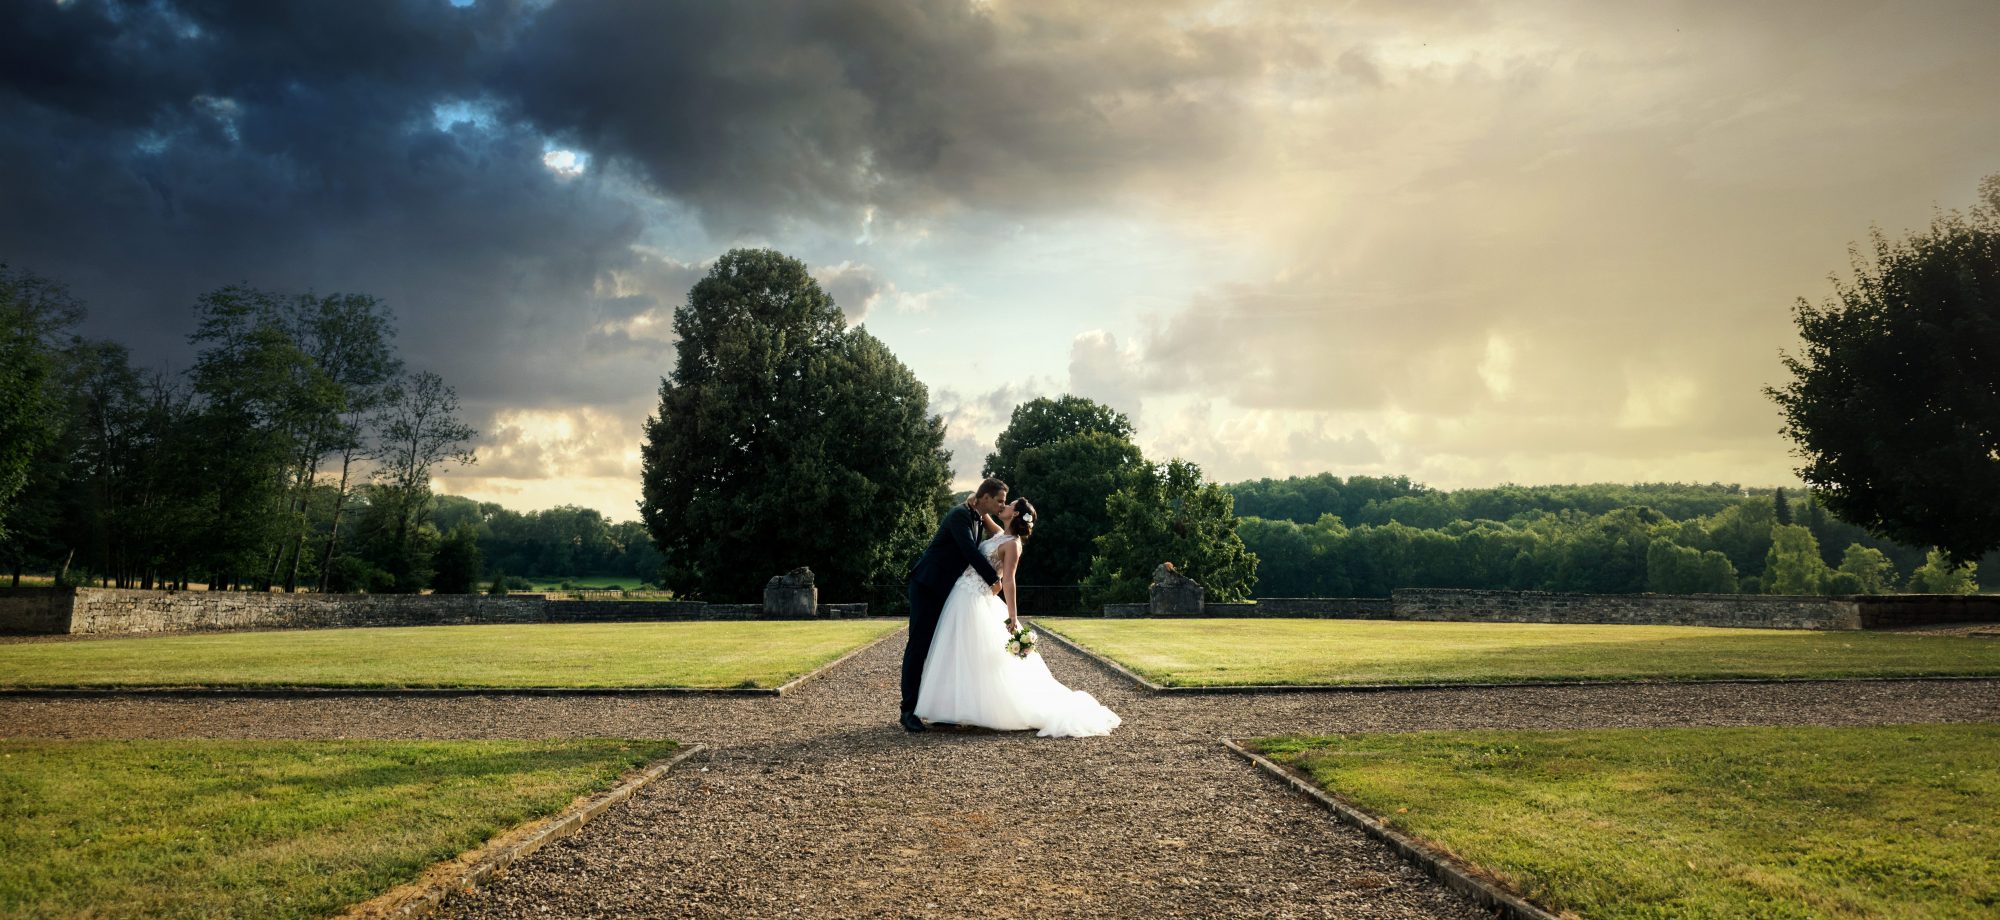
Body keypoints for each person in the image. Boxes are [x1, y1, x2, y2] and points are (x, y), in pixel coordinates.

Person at [913, 496, 1121, 738]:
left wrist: (1012, 616)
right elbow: (983, 514)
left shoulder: (1013, 544)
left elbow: (1009, 580)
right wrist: (973, 500)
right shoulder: (1000, 533)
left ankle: (973, 709)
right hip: (962, 595)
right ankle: (950, 710)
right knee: (957, 652)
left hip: (976, 599)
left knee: (972, 654)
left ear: (1015, 513)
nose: (1004, 506)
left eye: (1008, 505)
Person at [900, 478, 1008, 732]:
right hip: (928, 586)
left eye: (1004, 501)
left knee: (943, 648)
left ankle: (941, 709)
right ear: (985, 498)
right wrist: (994, 580)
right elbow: (969, 551)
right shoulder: (959, 515)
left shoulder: (978, 517)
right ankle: (908, 711)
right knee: (919, 647)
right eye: (999, 500)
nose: (1001, 504)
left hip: (948, 591)